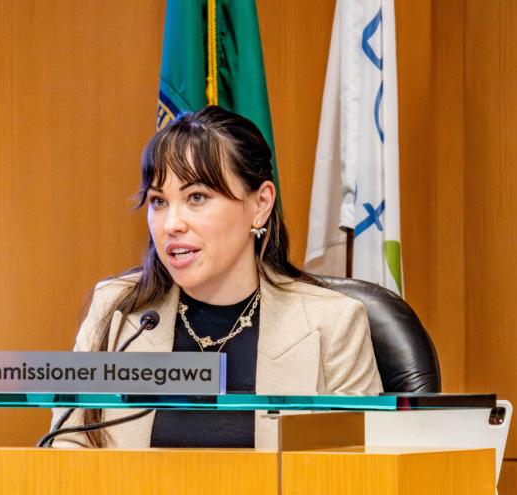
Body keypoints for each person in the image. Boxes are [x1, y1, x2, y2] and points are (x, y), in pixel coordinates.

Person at [51, 106, 382, 449]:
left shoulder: (332, 323)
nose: (171, 224)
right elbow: (68, 450)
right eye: (158, 201)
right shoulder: (117, 310)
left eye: (197, 197)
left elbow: (360, 473)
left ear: (260, 204)